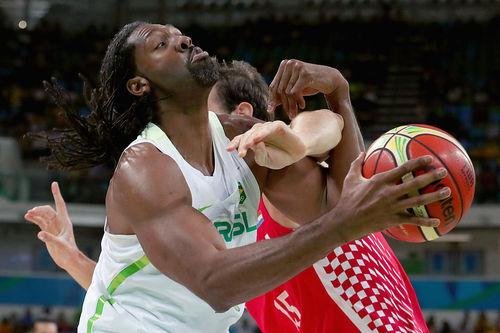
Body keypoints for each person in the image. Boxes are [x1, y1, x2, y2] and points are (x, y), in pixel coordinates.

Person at [27, 22, 449, 333]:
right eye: (162, 44)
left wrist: (339, 93)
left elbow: (336, 198)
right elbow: (216, 282)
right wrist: (344, 222)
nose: (184, 40)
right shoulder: (145, 169)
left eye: (180, 35)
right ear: (140, 85)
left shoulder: (235, 138)